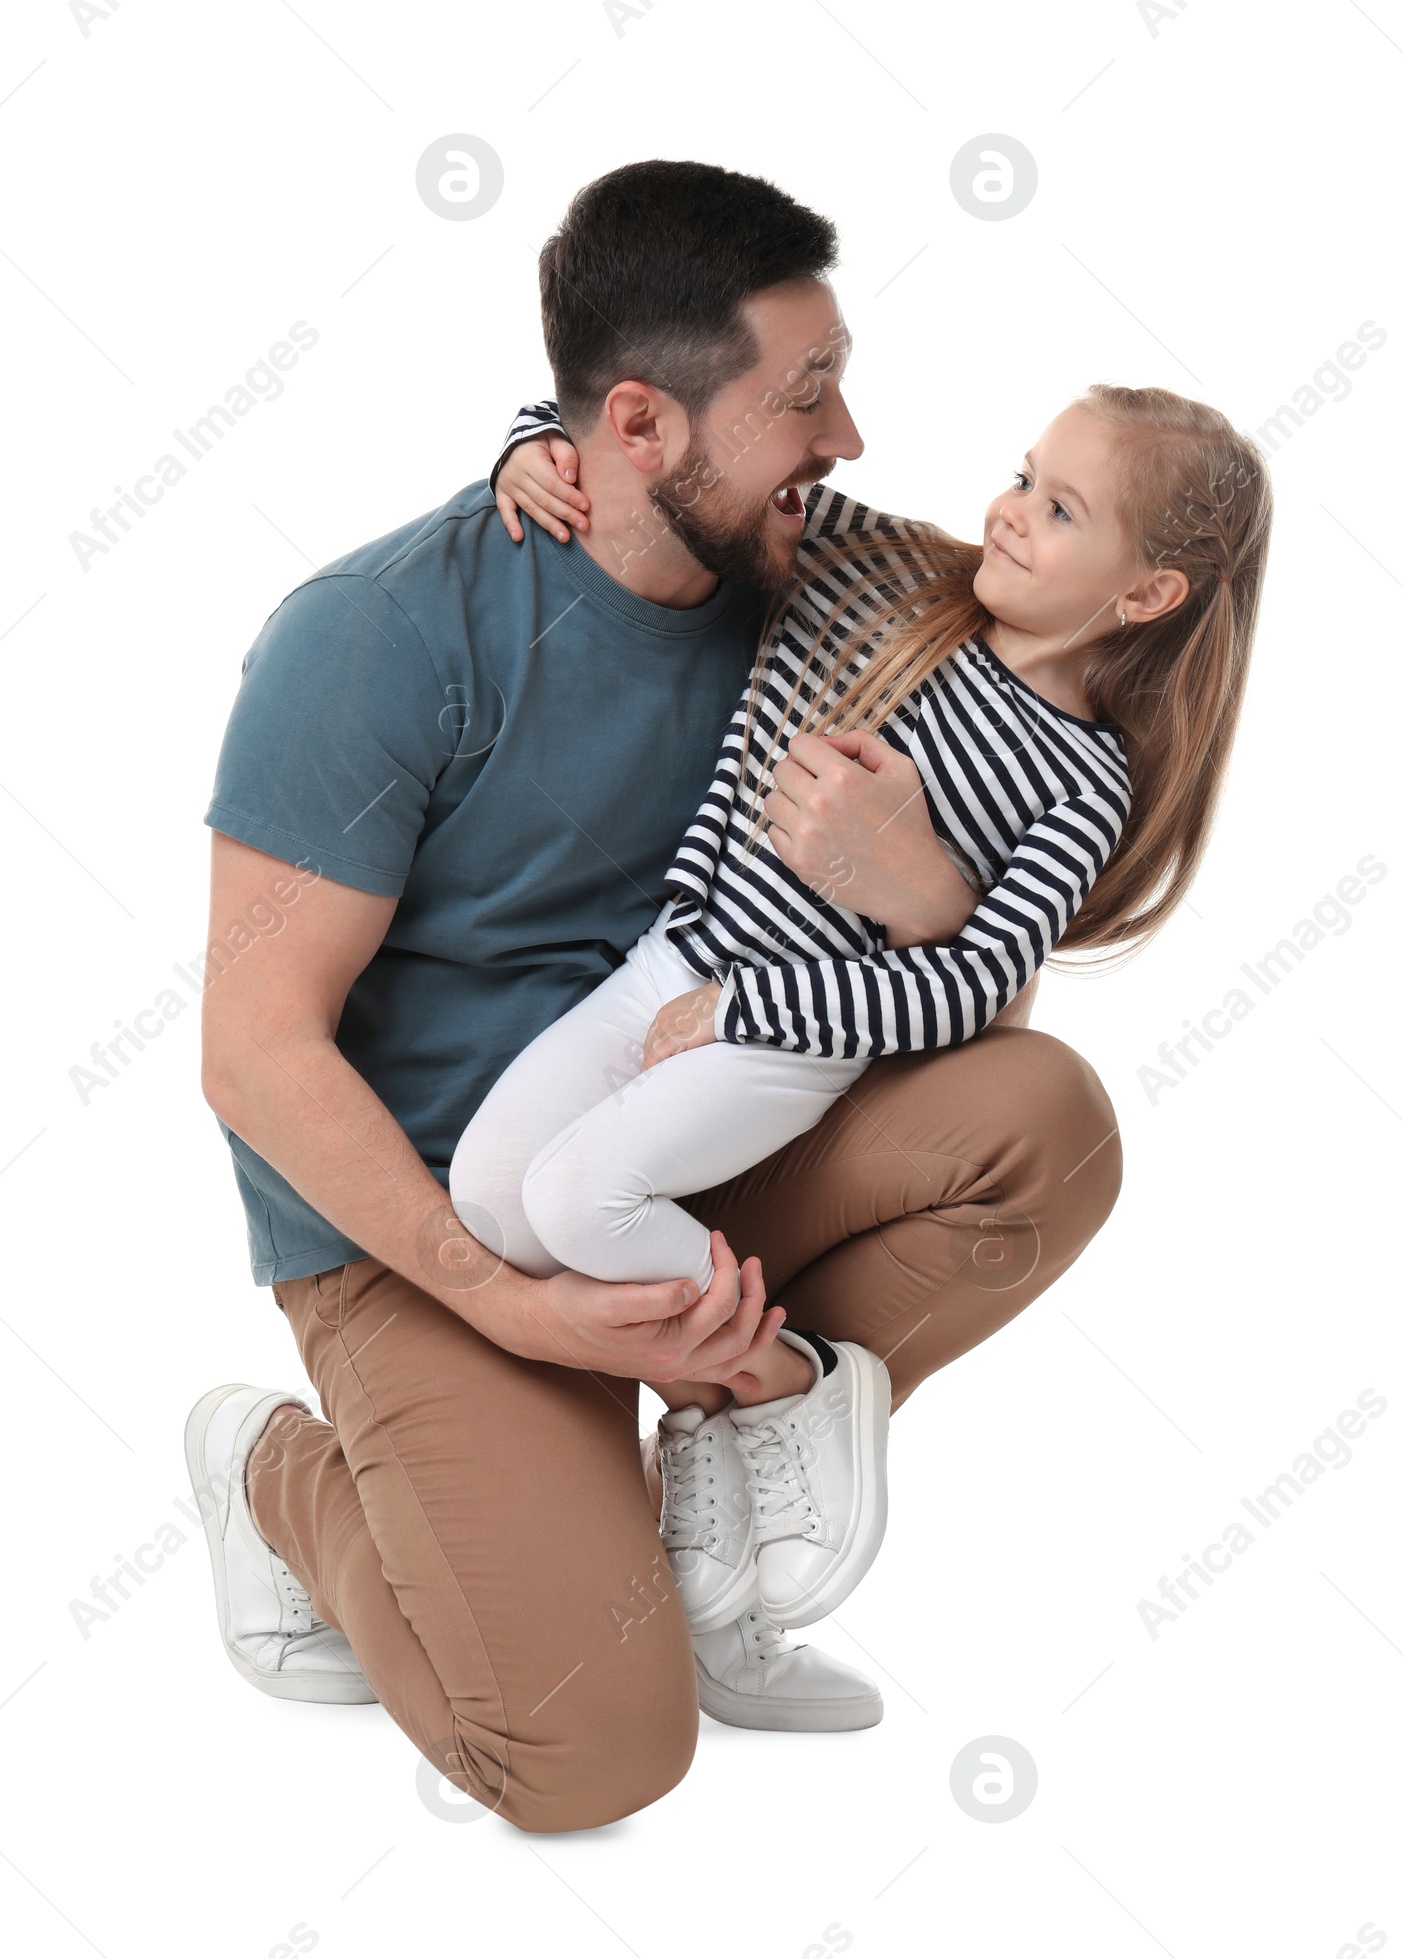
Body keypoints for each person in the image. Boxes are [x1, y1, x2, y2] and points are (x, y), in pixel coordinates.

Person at [187, 159, 1136, 1835]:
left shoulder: (826, 579)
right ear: (637, 428)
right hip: (423, 1218)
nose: (846, 441)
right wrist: (505, 1305)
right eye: (807, 399)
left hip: (687, 1122)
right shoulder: (375, 639)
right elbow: (255, 1058)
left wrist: (918, 884)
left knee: (1042, 1123)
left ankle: (720, 1460)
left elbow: (1050, 790)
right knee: (590, 1758)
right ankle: (282, 1486)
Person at [457, 375, 1270, 1691]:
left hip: (788, 1034)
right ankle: (711, 1416)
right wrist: (539, 444)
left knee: (579, 1196)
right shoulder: (875, 567)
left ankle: (780, 1382)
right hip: (672, 962)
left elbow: (965, 989)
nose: (1010, 514)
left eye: (1062, 510)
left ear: (1147, 594)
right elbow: (682, 454)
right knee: (495, 1201)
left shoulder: (1083, 777)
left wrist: (742, 1011)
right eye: (1023, 475)